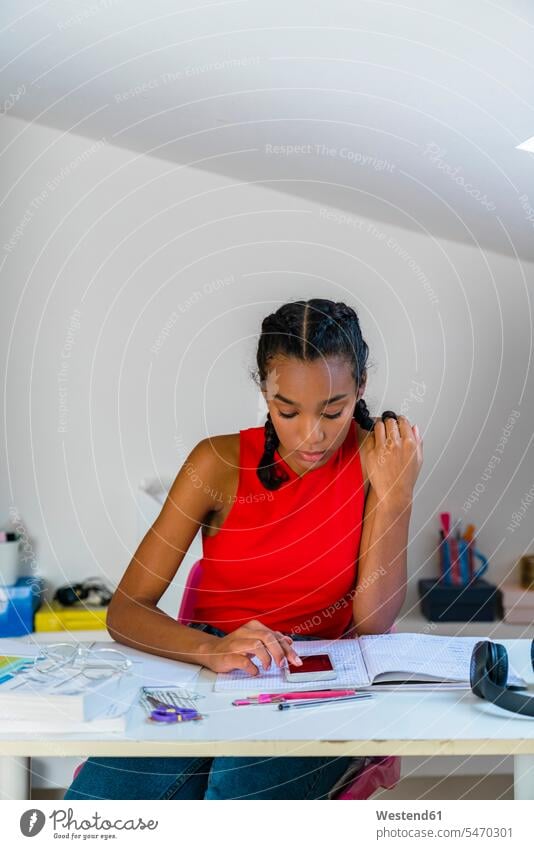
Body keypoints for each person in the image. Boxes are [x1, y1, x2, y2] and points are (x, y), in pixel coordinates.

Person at [64, 297, 423, 799]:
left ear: (361, 387)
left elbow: (372, 622)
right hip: (204, 668)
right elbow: (126, 609)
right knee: (96, 808)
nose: (312, 435)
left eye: (334, 410)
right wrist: (211, 649)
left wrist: (396, 497)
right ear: (265, 391)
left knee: (234, 799)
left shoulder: (377, 461)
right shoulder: (215, 464)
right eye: (287, 411)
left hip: (315, 681)